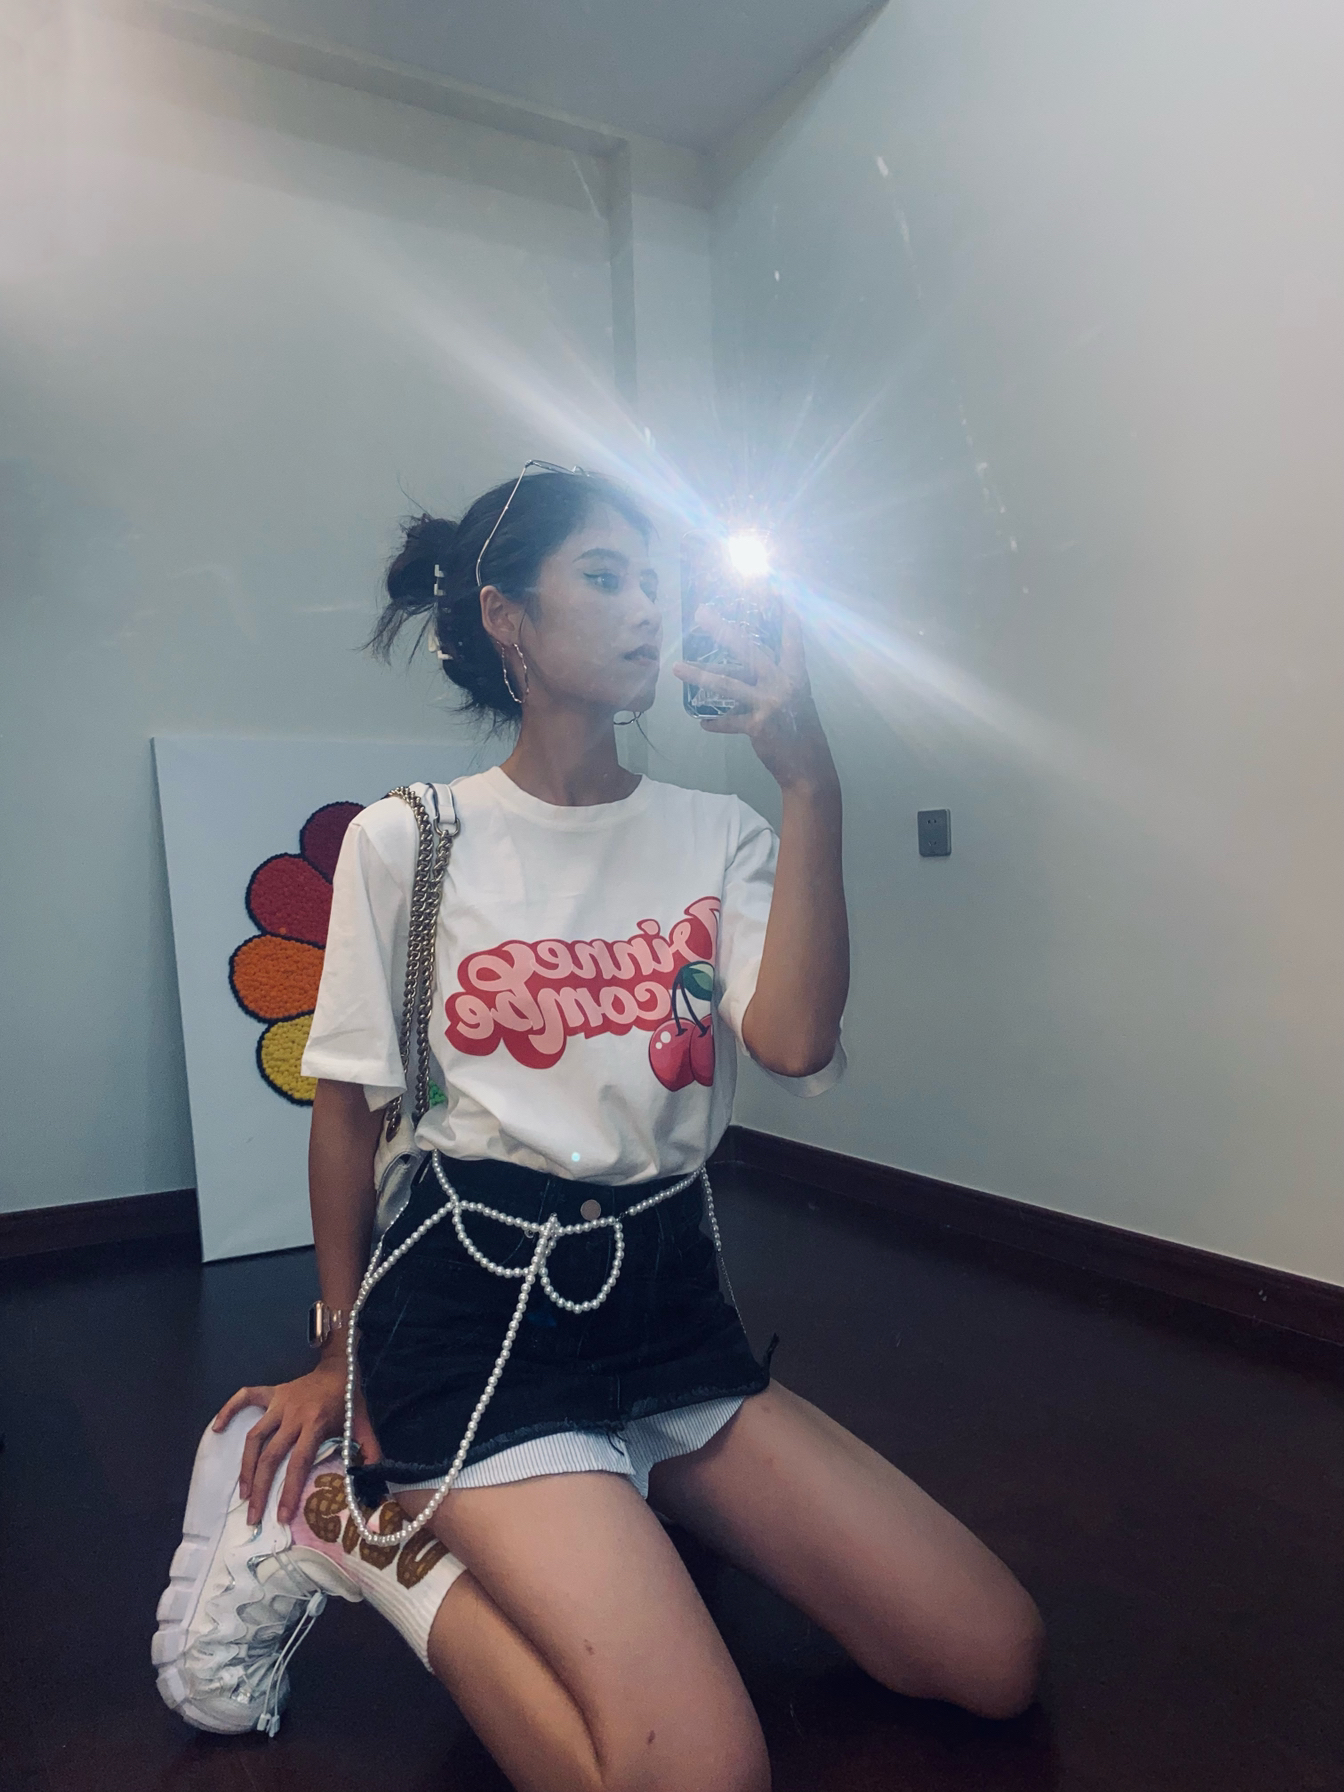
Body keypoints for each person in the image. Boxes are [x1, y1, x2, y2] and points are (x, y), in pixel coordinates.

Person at [154, 466, 1043, 1790]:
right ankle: (361, 1535)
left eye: (658, 582)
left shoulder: (717, 831)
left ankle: (616, 1492)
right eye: (609, 578)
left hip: (670, 1317)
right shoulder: (414, 840)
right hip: (474, 1321)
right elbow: (345, 1119)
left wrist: (811, 782)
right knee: (702, 1774)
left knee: (991, 1655)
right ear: (508, 618)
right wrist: (340, 1355)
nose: (648, 608)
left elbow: (795, 1042)